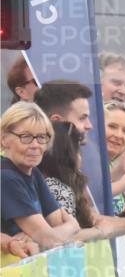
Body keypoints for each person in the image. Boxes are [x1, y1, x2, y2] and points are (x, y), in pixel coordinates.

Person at [37, 121, 125, 237]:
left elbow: (93, 218)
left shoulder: (64, 184)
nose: (119, 135)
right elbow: (67, 237)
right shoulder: (54, 186)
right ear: (67, 155)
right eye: (112, 126)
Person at [1, 102, 81, 249]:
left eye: (42, 137)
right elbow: (49, 239)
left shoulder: (34, 172)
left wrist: (66, 228)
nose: (35, 145)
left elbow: (56, 225)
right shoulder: (5, 177)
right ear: (4, 138)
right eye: (25, 137)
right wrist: (72, 225)